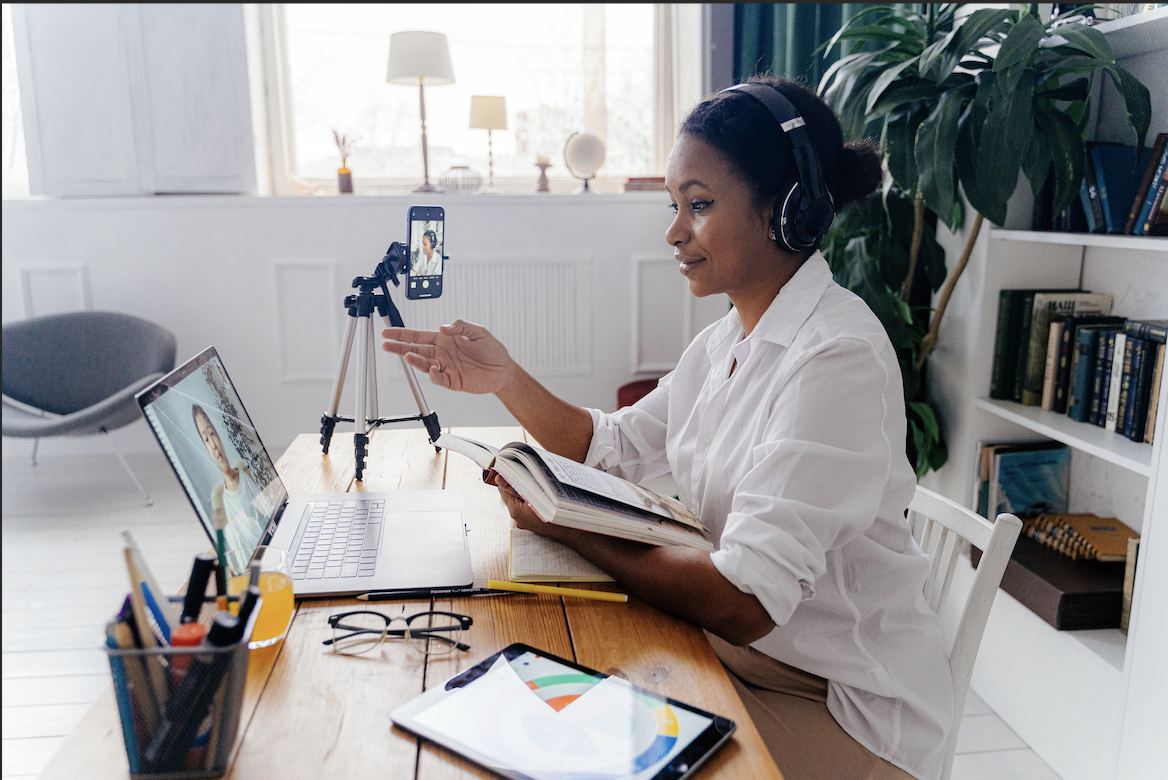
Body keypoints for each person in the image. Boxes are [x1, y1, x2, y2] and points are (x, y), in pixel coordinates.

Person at [381, 76, 952, 780]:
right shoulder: (727, 342)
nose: (675, 231)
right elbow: (610, 448)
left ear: (789, 211)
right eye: (675, 205)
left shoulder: (836, 358)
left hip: (844, 707)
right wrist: (504, 378)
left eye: (700, 205)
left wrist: (565, 525)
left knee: (585, 750)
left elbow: (745, 602)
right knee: (547, 701)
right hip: (743, 657)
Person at [192, 403, 267, 570]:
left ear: (219, 436)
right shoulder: (221, 499)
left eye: (212, 433)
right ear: (206, 448)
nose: (212, 443)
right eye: (206, 439)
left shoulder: (244, 471)